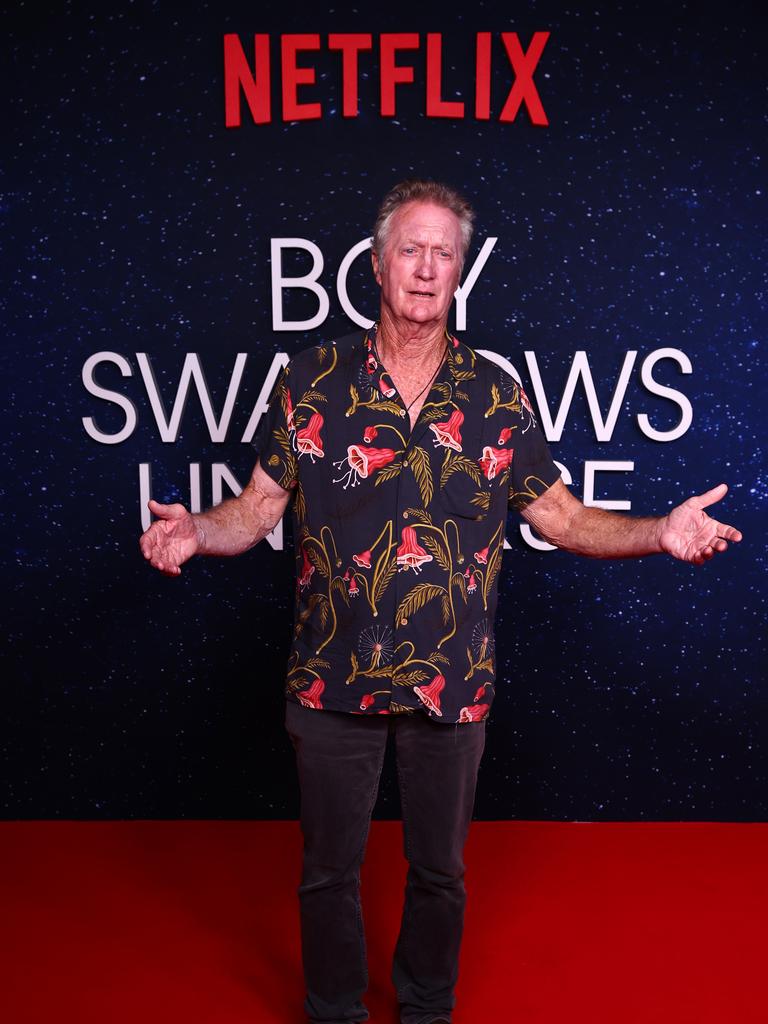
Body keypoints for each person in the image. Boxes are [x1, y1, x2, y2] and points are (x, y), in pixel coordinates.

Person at [139, 179, 742, 1024]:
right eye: (410, 250)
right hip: (331, 675)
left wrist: (657, 531)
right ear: (378, 265)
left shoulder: (494, 395)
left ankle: (425, 1010)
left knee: (439, 874)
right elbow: (257, 509)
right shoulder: (312, 379)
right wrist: (196, 532)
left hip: (451, 682)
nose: (425, 269)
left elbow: (562, 517)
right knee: (328, 871)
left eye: (443, 254)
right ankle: (336, 1011)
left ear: (460, 272)